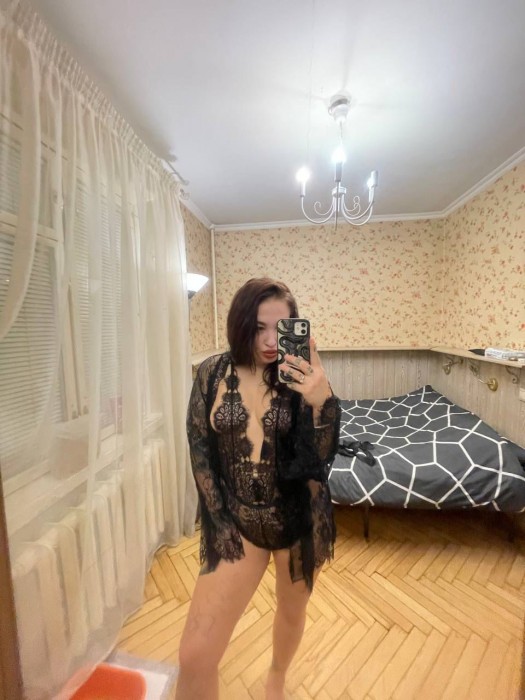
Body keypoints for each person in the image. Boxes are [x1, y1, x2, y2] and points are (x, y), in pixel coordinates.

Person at [176, 278, 341, 700]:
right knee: (194, 655)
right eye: (258, 327)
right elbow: (199, 447)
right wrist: (219, 522)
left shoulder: (302, 375)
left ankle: (277, 677)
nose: (269, 341)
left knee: (291, 612)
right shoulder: (213, 373)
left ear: (294, 328)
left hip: (298, 520)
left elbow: (320, 459)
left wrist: (320, 403)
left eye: (279, 328)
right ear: (241, 324)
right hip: (239, 523)